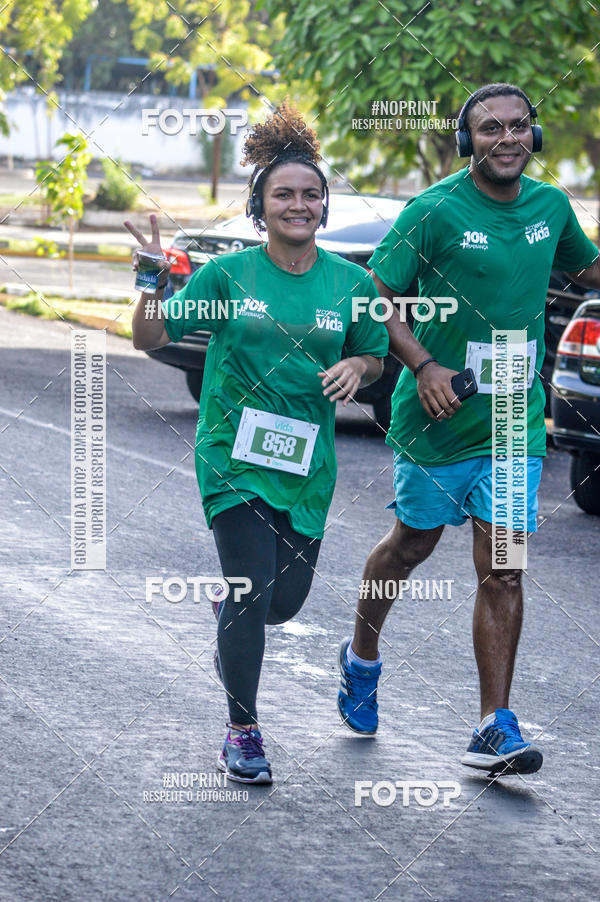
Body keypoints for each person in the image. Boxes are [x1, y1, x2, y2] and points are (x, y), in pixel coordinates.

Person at [337, 83, 600, 775]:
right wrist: (421, 366)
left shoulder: (550, 207)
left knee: (505, 573)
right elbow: (375, 297)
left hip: (514, 426)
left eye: (519, 127)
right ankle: (361, 658)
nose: (506, 138)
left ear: (533, 136)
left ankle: (493, 725)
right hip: (439, 420)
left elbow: (589, 265)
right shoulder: (435, 211)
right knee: (410, 546)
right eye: (490, 129)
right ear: (468, 141)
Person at [126, 102, 389, 784]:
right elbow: (151, 337)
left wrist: (357, 368)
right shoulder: (228, 277)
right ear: (260, 207)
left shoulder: (351, 285)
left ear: (324, 207)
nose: (298, 205)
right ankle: (242, 730)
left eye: (310, 194)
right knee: (250, 587)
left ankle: (231, 614)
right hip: (232, 456)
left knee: (285, 601)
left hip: (306, 467)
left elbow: (374, 357)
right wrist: (151, 282)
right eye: (284, 195)